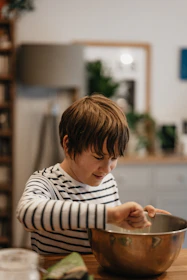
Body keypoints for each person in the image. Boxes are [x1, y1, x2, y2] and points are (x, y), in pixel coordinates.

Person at [16, 94, 169, 254]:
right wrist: (109, 215)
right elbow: (27, 214)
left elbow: (113, 226)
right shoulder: (46, 182)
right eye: (98, 157)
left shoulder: (108, 182)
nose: (107, 168)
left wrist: (136, 219)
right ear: (68, 145)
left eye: (114, 158)